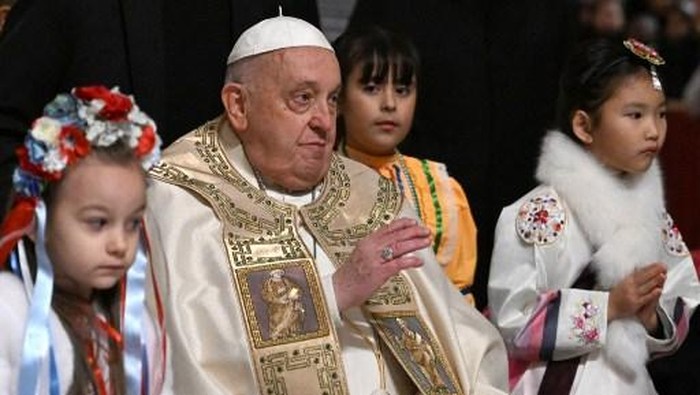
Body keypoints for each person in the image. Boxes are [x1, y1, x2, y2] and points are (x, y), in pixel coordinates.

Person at [145, 14, 509, 395]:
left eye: (332, 99)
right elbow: (189, 355)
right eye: (302, 98)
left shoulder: (369, 194)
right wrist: (331, 294)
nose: (324, 121)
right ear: (238, 105)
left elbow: (459, 341)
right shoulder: (180, 200)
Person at [488, 37, 700, 394]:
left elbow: (682, 298)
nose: (654, 130)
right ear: (585, 126)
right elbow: (512, 320)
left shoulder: (655, 218)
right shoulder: (538, 214)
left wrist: (651, 319)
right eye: (635, 115)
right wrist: (608, 307)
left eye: (660, 114)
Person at [0, 86, 165, 394]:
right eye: (97, 222)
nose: (119, 244)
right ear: (38, 219)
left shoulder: (135, 324)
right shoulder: (8, 311)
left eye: (131, 223)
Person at [333, 26, 478, 303]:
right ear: (338, 98)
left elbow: (459, 296)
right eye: (371, 88)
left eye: (402, 90)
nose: (389, 104)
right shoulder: (317, 182)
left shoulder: (439, 188)